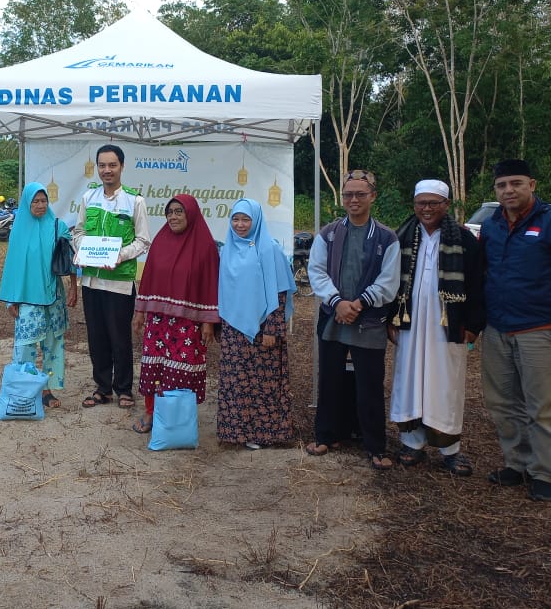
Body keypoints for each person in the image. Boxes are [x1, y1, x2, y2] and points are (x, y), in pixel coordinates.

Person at [479, 159, 551, 502]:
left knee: (542, 404)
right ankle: (516, 464)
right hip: (498, 328)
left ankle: (543, 472)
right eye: (502, 185)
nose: (508, 190)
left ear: (532, 184)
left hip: (540, 329)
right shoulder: (492, 224)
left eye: (516, 183)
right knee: (502, 402)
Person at [387, 179, 485, 476]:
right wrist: (391, 318)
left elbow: (479, 283)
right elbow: (391, 282)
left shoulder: (465, 240)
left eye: (433, 203)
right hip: (410, 324)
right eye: (421, 203)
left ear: (446, 205)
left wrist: (473, 325)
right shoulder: (402, 237)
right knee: (409, 380)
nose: (426, 209)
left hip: (448, 325)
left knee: (446, 384)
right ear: (414, 205)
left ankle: (449, 449)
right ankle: (411, 443)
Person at [306, 169, 400, 470]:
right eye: (349, 194)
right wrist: (337, 303)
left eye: (360, 193)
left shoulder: (386, 237)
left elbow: (389, 281)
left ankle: (375, 445)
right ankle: (326, 435)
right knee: (329, 379)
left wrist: (358, 304)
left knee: (370, 383)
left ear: (373, 196)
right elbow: (316, 271)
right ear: (342, 198)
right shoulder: (329, 233)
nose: (354, 199)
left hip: (368, 320)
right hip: (333, 316)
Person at [131, 194, 220, 434]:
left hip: (188, 324)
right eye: (170, 212)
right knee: (155, 367)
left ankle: (179, 419)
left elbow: (210, 285)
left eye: (179, 211)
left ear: (191, 213)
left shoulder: (205, 246)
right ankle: (152, 413)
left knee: (181, 370)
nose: (173, 217)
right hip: (158, 321)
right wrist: (140, 312)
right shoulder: (160, 240)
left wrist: (208, 323)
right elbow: (148, 278)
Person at [71, 144, 151, 410]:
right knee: (96, 336)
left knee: (119, 337)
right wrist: (84, 249)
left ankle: (124, 389)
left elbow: (143, 240)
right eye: (102, 165)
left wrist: (120, 255)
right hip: (92, 281)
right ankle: (102, 387)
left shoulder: (135, 201)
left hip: (119, 282)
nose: (107, 170)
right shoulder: (88, 198)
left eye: (112, 165)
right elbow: (78, 233)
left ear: (122, 167)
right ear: (97, 168)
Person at [216, 198, 294, 449]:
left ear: (256, 220)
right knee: (235, 381)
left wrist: (273, 328)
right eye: (235, 219)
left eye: (246, 219)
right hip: (233, 329)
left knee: (263, 383)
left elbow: (280, 291)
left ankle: (264, 434)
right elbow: (225, 290)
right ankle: (237, 433)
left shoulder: (269, 249)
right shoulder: (228, 248)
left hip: (262, 329)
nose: (240, 225)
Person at [0, 182, 78, 409]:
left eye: (44, 201)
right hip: (26, 299)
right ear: (27, 203)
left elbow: (70, 259)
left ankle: (47, 390)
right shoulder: (19, 230)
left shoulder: (58, 226)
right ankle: (24, 389)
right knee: (25, 346)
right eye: (35, 201)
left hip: (53, 297)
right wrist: (11, 300)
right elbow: (12, 266)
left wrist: (73, 287)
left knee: (53, 346)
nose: (40, 205)